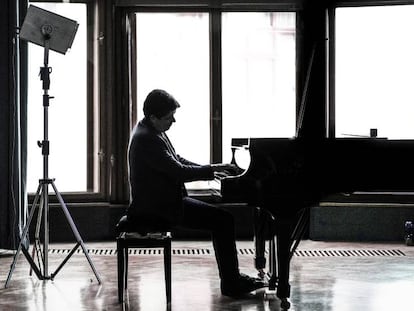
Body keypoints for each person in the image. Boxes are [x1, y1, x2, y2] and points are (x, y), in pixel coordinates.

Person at [127, 89, 266, 297]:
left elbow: (177, 160)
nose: (173, 121)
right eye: (169, 117)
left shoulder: (150, 130)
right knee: (223, 220)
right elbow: (178, 171)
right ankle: (231, 283)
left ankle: (232, 280)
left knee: (221, 219)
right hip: (158, 209)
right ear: (153, 117)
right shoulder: (148, 139)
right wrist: (211, 172)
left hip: (161, 202)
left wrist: (213, 167)